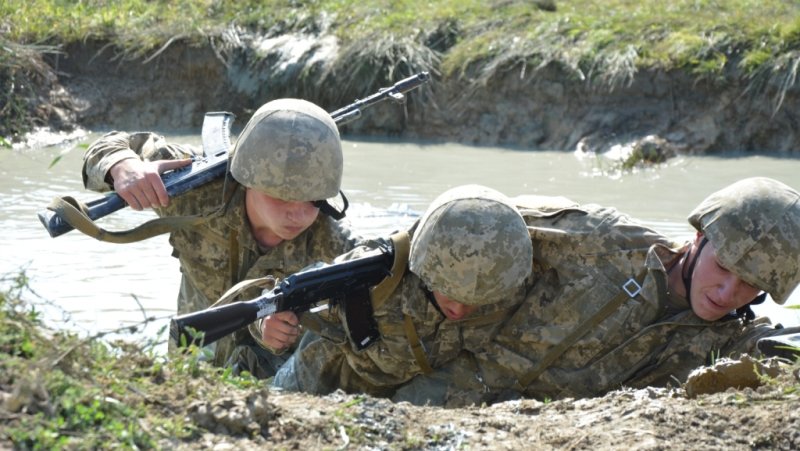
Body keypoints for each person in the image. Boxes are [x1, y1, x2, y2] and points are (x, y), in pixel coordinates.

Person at [391, 176, 800, 407]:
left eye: (752, 283)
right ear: (698, 236)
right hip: (440, 390)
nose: (730, 292)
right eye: (725, 266)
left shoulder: (731, 342)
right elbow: (464, 222)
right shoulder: (603, 239)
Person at [82, 98, 360, 367]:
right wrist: (121, 167)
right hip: (193, 357)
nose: (298, 214)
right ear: (248, 179)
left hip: (275, 380)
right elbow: (108, 144)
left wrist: (283, 329)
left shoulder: (334, 242)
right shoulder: (193, 191)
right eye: (284, 198)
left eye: (313, 201)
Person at [265, 184, 534, 398]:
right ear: (425, 273)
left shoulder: (503, 277)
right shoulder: (374, 274)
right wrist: (269, 326)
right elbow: (289, 296)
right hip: (319, 378)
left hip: (401, 394)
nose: (460, 310)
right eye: (449, 294)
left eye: (475, 302)